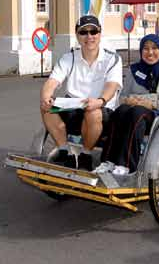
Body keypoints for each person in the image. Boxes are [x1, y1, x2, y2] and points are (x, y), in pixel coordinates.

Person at [39, 15, 123, 170]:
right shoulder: (68, 58)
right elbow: (52, 82)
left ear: (99, 33)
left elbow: (112, 86)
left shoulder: (112, 59)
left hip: (102, 111)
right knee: (46, 107)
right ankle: (65, 151)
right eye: (84, 32)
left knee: (93, 112)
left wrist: (99, 101)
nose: (89, 36)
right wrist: (46, 97)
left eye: (93, 31)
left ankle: (86, 154)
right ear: (77, 36)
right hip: (74, 108)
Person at [97, 34, 159, 174]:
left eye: (155, 48)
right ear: (140, 51)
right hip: (131, 113)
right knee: (121, 110)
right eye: (145, 49)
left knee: (137, 112)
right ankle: (108, 161)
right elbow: (122, 96)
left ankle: (126, 164)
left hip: (157, 117)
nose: (150, 52)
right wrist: (128, 100)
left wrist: (153, 104)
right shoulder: (134, 71)